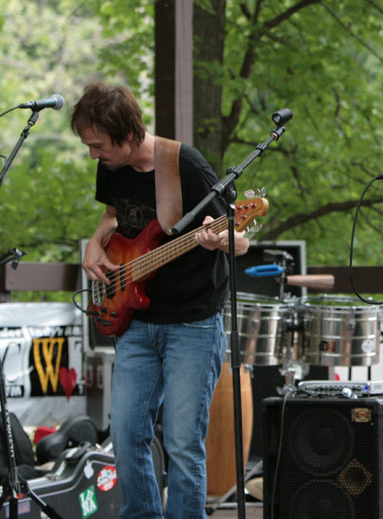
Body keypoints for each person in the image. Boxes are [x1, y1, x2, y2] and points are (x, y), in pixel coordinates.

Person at [71, 82, 249, 518]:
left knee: (183, 443)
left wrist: (215, 241)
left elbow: (239, 240)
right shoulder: (112, 165)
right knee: (127, 435)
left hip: (191, 324)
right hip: (135, 322)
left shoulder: (184, 165)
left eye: (98, 145)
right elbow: (113, 214)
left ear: (128, 135)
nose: (93, 154)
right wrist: (96, 243)